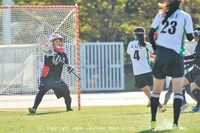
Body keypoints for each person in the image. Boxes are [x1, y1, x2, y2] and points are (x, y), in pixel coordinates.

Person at [148, 0, 196, 129]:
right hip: (176, 55)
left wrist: (155, 48)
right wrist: (195, 33)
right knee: (177, 92)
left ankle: (153, 121)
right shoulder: (185, 16)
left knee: (156, 91)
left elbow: (150, 33)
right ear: (182, 1)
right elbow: (191, 37)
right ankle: (175, 124)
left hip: (161, 54)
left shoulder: (161, 14)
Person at [28, 34, 74, 113]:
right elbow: (49, 64)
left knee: (67, 93)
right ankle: (34, 108)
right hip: (47, 78)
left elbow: (66, 64)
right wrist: (54, 61)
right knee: (42, 91)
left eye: (60, 41)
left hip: (57, 79)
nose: (59, 43)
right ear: (52, 43)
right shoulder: (48, 53)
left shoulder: (63, 54)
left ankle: (69, 109)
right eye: (57, 41)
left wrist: (70, 68)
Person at [127, 27, 166, 113]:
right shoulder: (146, 44)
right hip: (147, 70)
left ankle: (159, 106)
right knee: (156, 88)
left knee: (147, 92)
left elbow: (131, 53)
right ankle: (153, 101)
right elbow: (155, 51)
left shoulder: (130, 44)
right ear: (144, 35)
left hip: (137, 72)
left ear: (135, 35)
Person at [182, 26, 200, 113]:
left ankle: (198, 106)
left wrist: (183, 60)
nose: (194, 37)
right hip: (196, 70)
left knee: (194, 88)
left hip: (198, 70)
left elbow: (196, 59)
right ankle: (184, 103)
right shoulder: (198, 44)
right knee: (180, 84)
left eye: (196, 35)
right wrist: (183, 59)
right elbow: (195, 57)